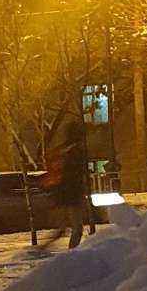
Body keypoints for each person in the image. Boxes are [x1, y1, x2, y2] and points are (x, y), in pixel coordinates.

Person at [42, 105, 91, 249]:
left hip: (63, 194)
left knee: (65, 228)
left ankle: (45, 248)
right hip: (72, 194)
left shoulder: (66, 149)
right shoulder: (74, 152)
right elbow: (74, 175)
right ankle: (72, 256)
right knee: (77, 228)